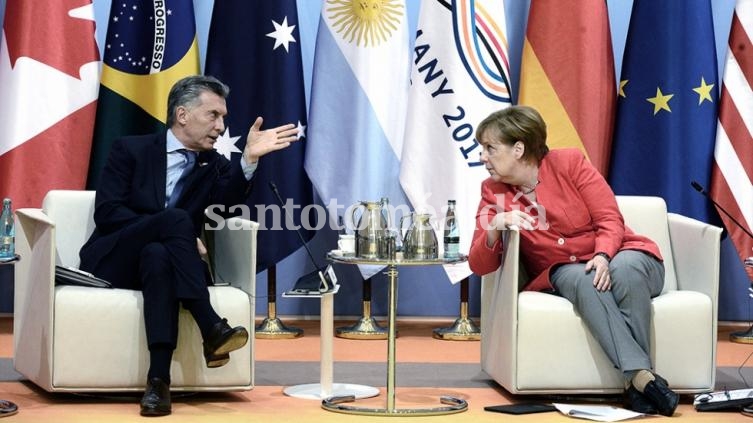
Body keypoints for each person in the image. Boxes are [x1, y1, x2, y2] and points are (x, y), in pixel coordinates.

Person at [79, 75, 299, 416]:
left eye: (223, 118)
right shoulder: (131, 149)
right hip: (113, 257)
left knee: (158, 256)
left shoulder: (214, 165)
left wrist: (249, 160)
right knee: (177, 221)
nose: (221, 126)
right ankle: (209, 323)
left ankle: (158, 382)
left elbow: (226, 207)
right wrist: (171, 230)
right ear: (182, 115)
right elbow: (108, 213)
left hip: (164, 265)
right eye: (213, 115)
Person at [468, 105, 679, 417]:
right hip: (561, 271)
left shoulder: (569, 162)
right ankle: (641, 378)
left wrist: (604, 255)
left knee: (625, 271)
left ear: (519, 148)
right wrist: (495, 224)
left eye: (489, 148)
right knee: (582, 277)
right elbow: (479, 264)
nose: (483, 157)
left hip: (622, 253)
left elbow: (609, 218)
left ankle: (636, 383)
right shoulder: (495, 192)